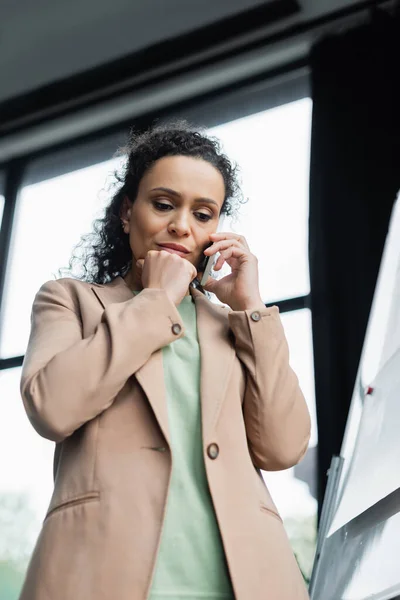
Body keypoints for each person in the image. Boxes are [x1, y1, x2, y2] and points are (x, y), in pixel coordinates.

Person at [19, 121, 311, 600]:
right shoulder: (68, 301)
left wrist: (250, 308)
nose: (182, 225)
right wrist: (155, 300)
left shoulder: (232, 324)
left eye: (203, 214)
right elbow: (53, 408)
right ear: (127, 213)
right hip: (103, 574)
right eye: (163, 204)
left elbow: (283, 448)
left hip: (241, 580)